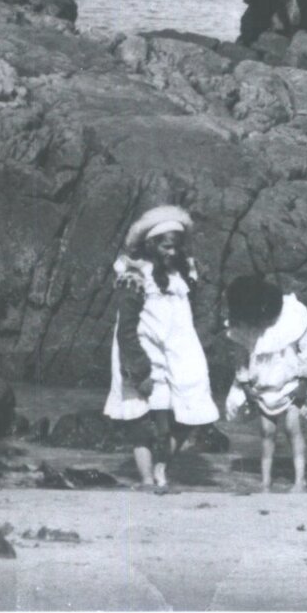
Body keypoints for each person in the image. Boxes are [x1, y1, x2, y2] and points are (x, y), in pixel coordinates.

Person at [102, 203, 220, 494]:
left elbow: (188, 315)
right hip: (142, 356)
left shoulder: (181, 277)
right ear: (151, 245)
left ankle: (161, 467)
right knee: (140, 423)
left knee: (189, 413)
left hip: (177, 355)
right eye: (166, 247)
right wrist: (138, 369)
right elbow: (127, 329)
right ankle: (146, 481)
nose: (172, 252)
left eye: (176, 247)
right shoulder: (135, 276)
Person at [221, 274, 307, 493]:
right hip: (263, 386)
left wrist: (305, 384)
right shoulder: (246, 325)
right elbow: (240, 358)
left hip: (291, 384)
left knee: (292, 429)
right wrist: (245, 385)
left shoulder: (292, 316)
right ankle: (265, 482)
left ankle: (300, 481)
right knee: (266, 433)